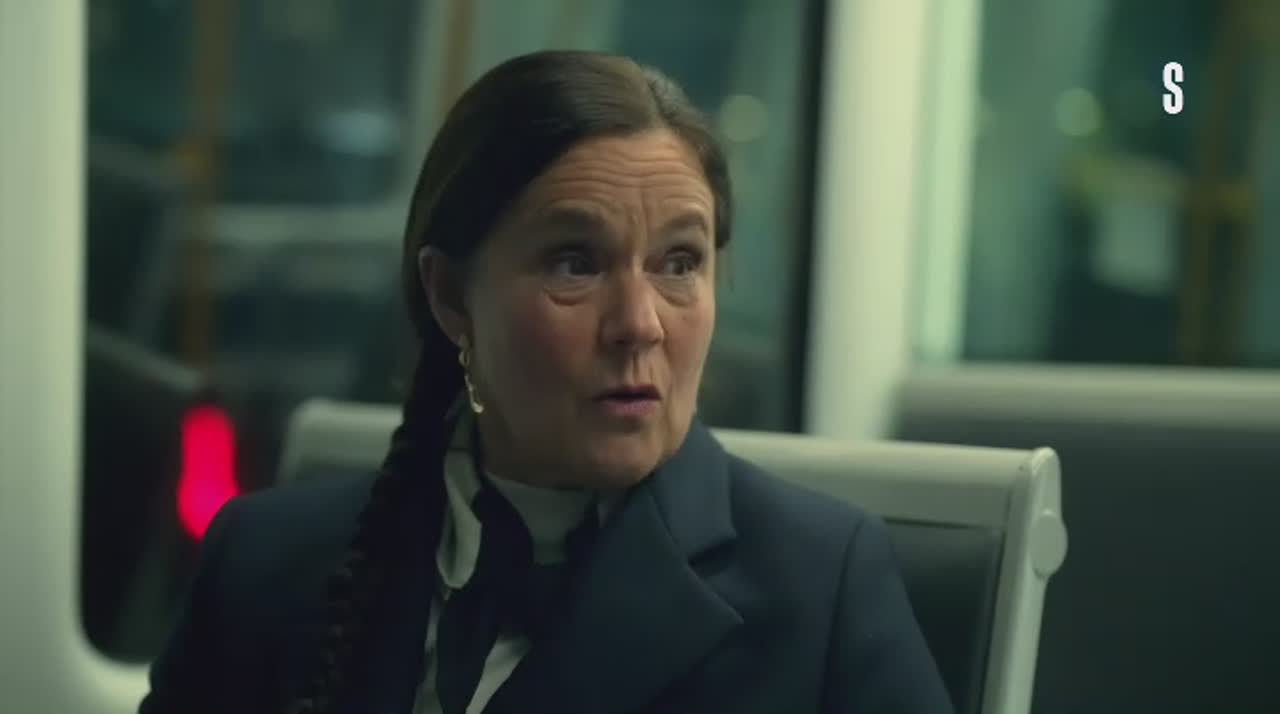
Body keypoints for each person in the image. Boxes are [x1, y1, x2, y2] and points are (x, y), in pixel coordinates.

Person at [139, 50, 952, 714]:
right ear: (452, 297)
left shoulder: (821, 588)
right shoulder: (267, 564)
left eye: (680, 263)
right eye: (574, 263)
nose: (640, 323)